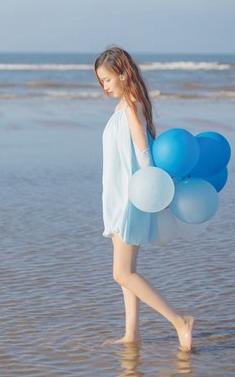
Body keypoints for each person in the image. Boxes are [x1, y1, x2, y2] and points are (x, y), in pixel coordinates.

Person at [94, 46, 194, 352]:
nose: (105, 86)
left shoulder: (131, 106)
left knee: (121, 273)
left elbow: (142, 150)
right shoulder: (123, 106)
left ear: (123, 74)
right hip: (118, 196)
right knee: (128, 273)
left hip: (131, 197)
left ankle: (179, 321)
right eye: (101, 82)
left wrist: (155, 190)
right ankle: (132, 334)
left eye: (108, 79)